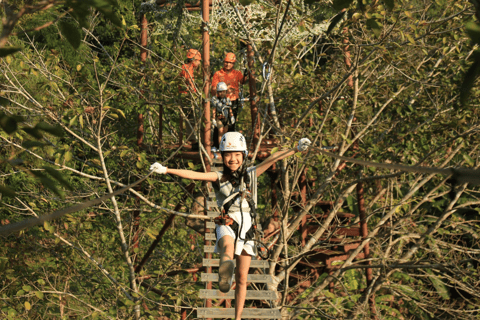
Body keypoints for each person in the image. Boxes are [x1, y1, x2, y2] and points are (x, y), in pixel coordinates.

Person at [150, 132, 311, 319]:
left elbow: (273, 157)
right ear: (223, 156)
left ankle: (238, 317)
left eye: (236, 155)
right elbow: (195, 175)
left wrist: (295, 149)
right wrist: (167, 170)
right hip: (228, 220)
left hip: (248, 227)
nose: (232, 159)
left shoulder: (251, 174)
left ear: (243, 156)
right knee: (228, 246)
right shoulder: (218, 177)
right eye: (228, 155)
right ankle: (225, 270)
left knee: (242, 278)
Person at [211, 53, 249, 131]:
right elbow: (213, 89)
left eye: (230, 62)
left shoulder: (237, 73)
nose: (228, 64)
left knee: (231, 122)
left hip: (233, 100)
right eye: (226, 62)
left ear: (233, 63)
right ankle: (217, 142)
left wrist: (245, 75)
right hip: (221, 102)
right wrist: (224, 90)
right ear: (223, 62)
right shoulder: (218, 74)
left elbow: (242, 82)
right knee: (219, 124)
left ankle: (229, 142)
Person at [179, 48, 202, 148]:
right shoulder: (187, 68)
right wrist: (196, 93)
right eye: (198, 61)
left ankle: (192, 138)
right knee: (190, 117)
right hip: (186, 96)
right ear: (194, 60)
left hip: (188, 95)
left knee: (192, 117)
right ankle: (191, 139)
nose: (199, 63)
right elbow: (190, 83)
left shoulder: (189, 68)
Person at [211, 82, 235, 148]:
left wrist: (232, 116)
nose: (222, 93)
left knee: (225, 132)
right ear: (218, 92)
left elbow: (229, 109)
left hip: (226, 118)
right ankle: (220, 147)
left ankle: (225, 146)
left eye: (223, 91)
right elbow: (214, 109)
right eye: (220, 92)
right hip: (219, 118)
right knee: (220, 131)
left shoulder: (227, 100)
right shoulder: (215, 100)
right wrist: (213, 118)